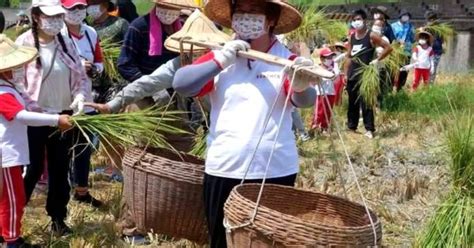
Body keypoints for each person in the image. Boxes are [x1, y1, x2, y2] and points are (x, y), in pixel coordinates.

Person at [173, 0, 317, 247]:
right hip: (225, 166)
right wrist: (221, 60)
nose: (245, 17)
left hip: (274, 170)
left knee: (268, 241)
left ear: (270, 20)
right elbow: (182, 84)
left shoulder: (285, 59)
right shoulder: (220, 57)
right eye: (240, 11)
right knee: (222, 239)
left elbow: (304, 100)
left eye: (254, 12)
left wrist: (301, 84)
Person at [16, 0, 88, 235]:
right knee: (32, 169)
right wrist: (40, 114)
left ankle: (58, 217)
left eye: (59, 16)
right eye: (50, 16)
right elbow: (17, 86)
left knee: (60, 169)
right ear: (36, 16)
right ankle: (11, 220)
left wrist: (80, 97)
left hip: (64, 117)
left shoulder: (65, 41)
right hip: (34, 119)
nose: (56, 21)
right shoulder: (23, 44)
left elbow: (80, 77)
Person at [0, 34, 72, 248]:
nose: (21, 70)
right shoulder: (3, 93)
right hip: (7, 157)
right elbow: (22, 116)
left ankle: (7, 235)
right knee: (13, 200)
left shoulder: (10, 89)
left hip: (11, 155)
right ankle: (12, 241)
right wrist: (55, 119)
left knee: (10, 198)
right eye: (17, 66)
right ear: (5, 70)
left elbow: (29, 108)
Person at [61, 0, 104, 208]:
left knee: (84, 147)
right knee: (63, 148)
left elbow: (100, 62)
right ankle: (62, 190)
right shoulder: (58, 34)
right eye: (71, 9)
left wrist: (94, 69)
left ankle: (82, 191)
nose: (76, 13)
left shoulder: (90, 33)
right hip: (62, 100)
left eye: (79, 8)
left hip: (86, 98)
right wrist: (77, 66)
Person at [117, 0, 195, 83]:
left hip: (176, 86)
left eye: (173, 6)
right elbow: (125, 64)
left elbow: (187, 60)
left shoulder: (183, 29)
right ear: (157, 4)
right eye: (164, 5)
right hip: (147, 87)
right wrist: (148, 84)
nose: (168, 10)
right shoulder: (139, 27)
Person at [344, 9, 392, 139]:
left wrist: (377, 59)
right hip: (353, 73)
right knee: (352, 101)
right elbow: (349, 56)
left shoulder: (371, 35)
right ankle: (351, 126)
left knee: (367, 102)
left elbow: (388, 47)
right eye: (354, 20)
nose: (356, 22)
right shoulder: (352, 37)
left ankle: (369, 129)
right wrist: (345, 74)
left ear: (364, 20)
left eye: (358, 19)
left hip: (366, 74)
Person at [312, 47, 338, 134]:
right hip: (320, 93)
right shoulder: (317, 68)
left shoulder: (333, 68)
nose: (330, 59)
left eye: (331, 57)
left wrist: (332, 71)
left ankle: (325, 127)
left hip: (331, 92)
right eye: (328, 58)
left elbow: (336, 78)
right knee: (319, 112)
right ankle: (315, 127)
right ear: (322, 59)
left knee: (328, 111)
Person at [391, 9, 414, 91]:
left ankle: (400, 88)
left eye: (407, 16)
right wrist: (397, 41)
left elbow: (413, 39)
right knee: (393, 70)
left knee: (404, 70)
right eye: (404, 16)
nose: (406, 18)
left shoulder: (410, 26)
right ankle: (390, 87)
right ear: (400, 16)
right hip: (395, 51)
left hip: (406, 51)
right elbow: (391, 38)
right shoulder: (393, 26)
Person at [372, 19, 391, 106]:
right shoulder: (370, 37)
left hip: (381, 67)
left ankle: (379, 105)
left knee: (380, 87)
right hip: (370, 68)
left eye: (379, 26)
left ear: (382, 28)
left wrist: (378, 58)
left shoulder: (384, 39)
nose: (376, 27)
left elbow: (387, 52)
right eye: (375, 25)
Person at [425, 10, 443, 84]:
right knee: (425, 68)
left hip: (436, 51)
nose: (431, 20)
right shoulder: (426, 28)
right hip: (426, 52)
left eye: (433, 19)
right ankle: (425, 83)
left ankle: (430, 84)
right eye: (430, 19)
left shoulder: (440, 29)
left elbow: (442, 39)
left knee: (433, 68)